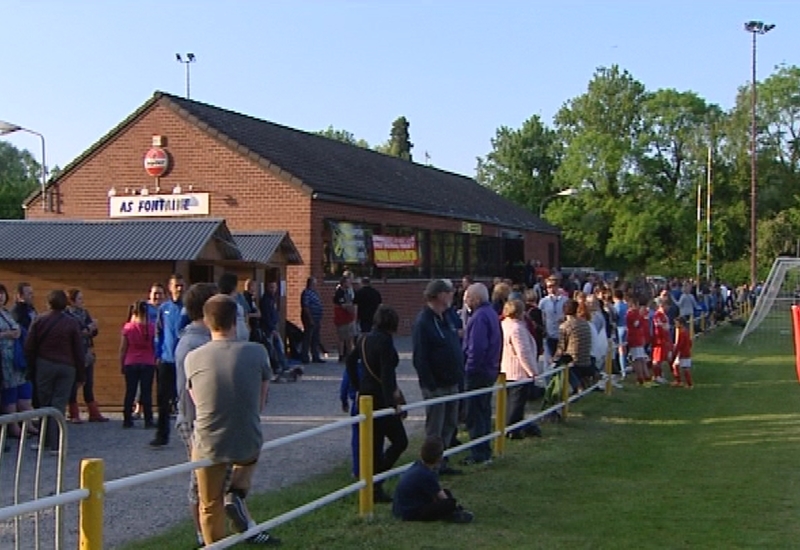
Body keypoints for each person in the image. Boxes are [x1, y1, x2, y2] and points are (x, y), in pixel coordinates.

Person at [186, 295, 277, 545]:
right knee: (250, 451)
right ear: (236, 320)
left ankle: (214, 543)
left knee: (208, 504)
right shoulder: (258, 352)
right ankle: (236, 492)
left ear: (206, 321)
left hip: (209, 443)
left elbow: (196, 399)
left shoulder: (193, 358)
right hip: (247, 438)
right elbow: (260, 398)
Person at [172, 283, 225, 548]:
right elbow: (188, 392)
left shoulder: (209, 340)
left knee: (220, 478)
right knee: (200, 481)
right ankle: (202, 535)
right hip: (196, 422)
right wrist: (196, 432)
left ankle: (219, 528)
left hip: (214, 421)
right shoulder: (191, 344)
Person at [346, 305, 408, 503]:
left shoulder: (364, 339)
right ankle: (376, 481)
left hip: (366, 395)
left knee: (375, 445)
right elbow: (387, 376)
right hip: (381, 400)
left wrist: (357, 385)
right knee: (400, 441)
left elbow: (349, 361)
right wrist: (393, 405)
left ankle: (373, 487)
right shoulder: (385, 343)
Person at [412, 279, 464, 476]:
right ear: (440, 295)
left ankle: (443, 462)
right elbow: (420, 357)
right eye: (449, 292)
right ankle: (429, 467)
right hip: (436, 385)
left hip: (452, 381)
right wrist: (430, 384)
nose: (452, 295)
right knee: (435, 427)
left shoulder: (446, 318)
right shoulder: (424, 322)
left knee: (450, 424)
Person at [24, 290, 86, 452]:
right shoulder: (72, 323)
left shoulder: (39, 321)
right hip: (67, 366)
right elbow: (78, 351)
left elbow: (29, 347)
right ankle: (56, 444)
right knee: (59, 405)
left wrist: (31, 368)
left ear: (48, 303)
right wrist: (81, 374)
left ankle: (44, 441)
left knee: (44, 404)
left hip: (44, 365)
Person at [461, 283, 501, 466]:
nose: (465, 301)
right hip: (490, 370)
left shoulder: (478, 318)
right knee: (484, 412)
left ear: (475, 299)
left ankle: (478, 452)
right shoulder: (491, 314)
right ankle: (485, 450)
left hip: (478, 372)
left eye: (467, 298)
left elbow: (476, 348)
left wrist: (468, 369)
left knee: (475, 413)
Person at [392, 436, 474, 524]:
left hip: (399, 508)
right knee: (449, 503)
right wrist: (454, 506)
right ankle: (453, 515)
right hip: (409, 513)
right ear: (439, 458)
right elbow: (442, 497)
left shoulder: (417, 465)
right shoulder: (427, 475)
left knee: (445, 494)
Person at [500, 299, 542, 439]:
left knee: (510, 402)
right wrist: (532, 372)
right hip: (518, 371)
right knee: (517, 404)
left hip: (506, 369)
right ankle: (513, 430)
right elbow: (523, 352)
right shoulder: (517, 328)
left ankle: (509, 427)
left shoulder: (504, 325)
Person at [66, 289, 107, 423]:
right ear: (71, 301)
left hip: (87, 351)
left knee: (88, 382)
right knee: (73, 383)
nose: (82, 302)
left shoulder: (84, 313)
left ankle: (93, 412)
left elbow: (92, 331)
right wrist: (89, 328)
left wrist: (92, 329)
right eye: (79, 299)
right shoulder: (67, 315)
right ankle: (73, 413)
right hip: (74, 353)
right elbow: (78, 331)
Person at [153, 273, 185, 448]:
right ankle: (161, 435)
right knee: (162, 399)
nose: (179, 288)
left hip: (184, 359)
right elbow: (158, 333)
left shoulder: (188, 308)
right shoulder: (164, 309)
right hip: (166, 359)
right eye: (176, 285)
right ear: (170, 287)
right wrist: (157, 354)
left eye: (182, 285)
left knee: (185, 398)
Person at [0, 283, 33, 439]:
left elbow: (17, 328)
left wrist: (17, 332)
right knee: (10, 391)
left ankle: (28, 423)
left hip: (15, 357)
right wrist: (7, 334)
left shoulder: (5, 313)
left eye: (2, 293)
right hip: (3, 359)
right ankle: (13, 427)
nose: (1, 297)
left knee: (23, 389)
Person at [120, 301, 157, 429]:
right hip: (148, 362)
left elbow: (123, 348)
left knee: (130, 391)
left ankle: (127, 419)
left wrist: (122, 363)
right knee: (146, 392)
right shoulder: (151, 328)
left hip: (131, 361)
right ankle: (148, 419)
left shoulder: (128, 328)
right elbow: (154, 346)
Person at [300, 277, 324, 364]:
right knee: (308, 337)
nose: (316, 285)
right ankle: (305, 356)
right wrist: (310, 319)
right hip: (310, 318)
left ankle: (315, 356)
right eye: (314, 283)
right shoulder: (306, 293)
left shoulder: (315, 293)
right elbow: (305, 307)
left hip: (317, 318)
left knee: (315, 338)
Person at [333, 275, 356, 362]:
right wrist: (351, 308)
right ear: (343, 283)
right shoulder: (339, 292)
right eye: (348, 282)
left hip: (349, 318)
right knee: (341, 338)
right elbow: (343, 305)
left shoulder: (348, 291)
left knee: (350, 338)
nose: (349, 283)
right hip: (341, 319)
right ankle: (341, 355)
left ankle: (349, 355)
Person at [671, 316, 694, 389]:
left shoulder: (682, 333)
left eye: (676, 323)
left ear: (681, 324)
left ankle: (689, 384)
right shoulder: (685, 331)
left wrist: (675, 351)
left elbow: (680, 344)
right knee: (675, 365)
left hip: (683, 353)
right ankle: (678, 381)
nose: (675, 325)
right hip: (685, 352)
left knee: (685, 368)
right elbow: (690, 342)